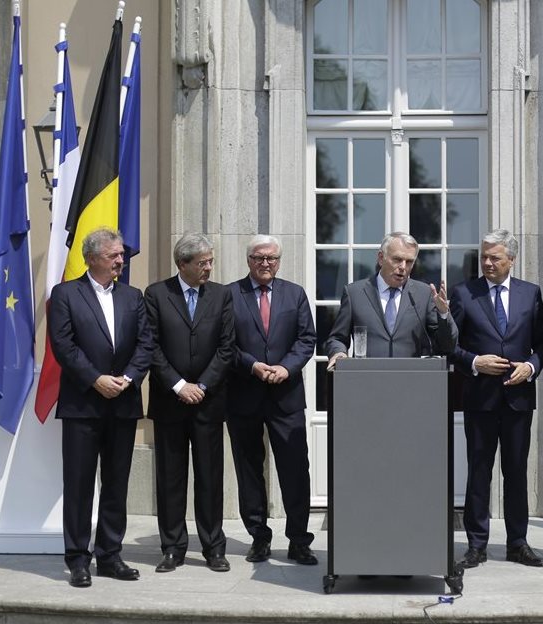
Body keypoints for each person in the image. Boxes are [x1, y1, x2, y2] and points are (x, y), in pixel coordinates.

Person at [48, 228, 153, 588]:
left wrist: (128, 378)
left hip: (123, 403)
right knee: (78, 485)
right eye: (114, 255)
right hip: (82, 404)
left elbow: (146, 343)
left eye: (121, 255)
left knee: (116, 483)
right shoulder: (65, 295)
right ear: (92, 258)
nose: (121, 261)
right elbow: (63, 345)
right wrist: (95, 379)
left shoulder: (132, 296)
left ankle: (109, 555)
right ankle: (78, 558)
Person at [449, 229, 543, 569]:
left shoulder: (530, 294)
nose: (488, 263)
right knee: (479, 473)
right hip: (479, 398)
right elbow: (449, 346)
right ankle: (476, 544)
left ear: (512, 259)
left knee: (516, 472)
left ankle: (517, 543)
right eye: (484, 257)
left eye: (495, 257)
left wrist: (531, 366)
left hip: (518, 400)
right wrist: (476, 362)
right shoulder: (465, 293)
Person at [144, 233, 235, 573]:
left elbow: (227, 346)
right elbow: (150, 345)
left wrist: (203, 385)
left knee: (210, 477)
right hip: (171, 401)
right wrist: (180, 385)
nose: (208, 268)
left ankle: (213, 547)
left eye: (210, 261)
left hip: (208, 402)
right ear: (182, 264)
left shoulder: (221, 295)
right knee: (170, 477)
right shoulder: (156, 294)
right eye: (202, 263)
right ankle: (172, 547)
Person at [226, 235, 318, 566]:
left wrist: (285, 367)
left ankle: (299, 540)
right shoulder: (230, 295)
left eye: (272, 258)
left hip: (286, 396)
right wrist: (252, 365)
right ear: (248, 259)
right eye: (259, 258)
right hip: (244, 395)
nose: (266, 264)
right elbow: (225, 344)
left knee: (295, 469)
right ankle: (259, 538)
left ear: (279, 261)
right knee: (249, 470)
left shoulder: (295, 294)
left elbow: (307, 339)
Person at [325, 231, 457, 366]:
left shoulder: (423, 294)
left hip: (411, 380)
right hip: (366, 378)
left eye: (409, 262)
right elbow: (337, 338)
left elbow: (446, 346)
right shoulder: (355, 293)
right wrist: (339, 353)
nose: (403, 267)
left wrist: (443, 314)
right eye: (397, 259)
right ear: (381, 258)